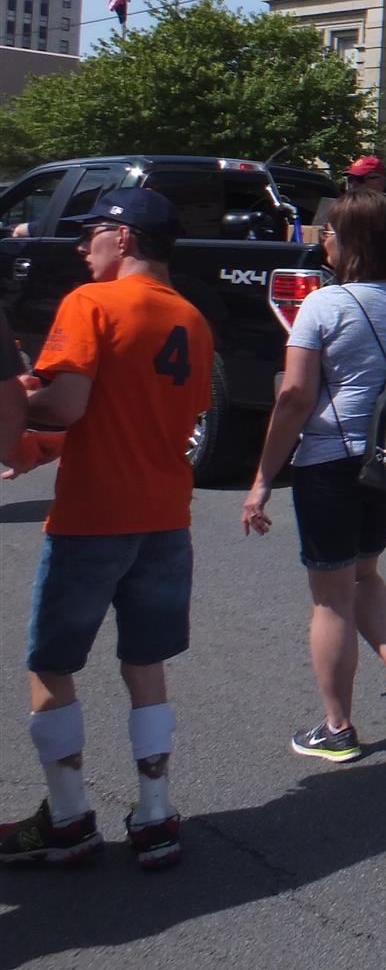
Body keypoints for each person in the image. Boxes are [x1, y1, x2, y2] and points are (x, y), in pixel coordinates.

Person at [0, 189, 213, 871]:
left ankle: (67, 818)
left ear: (122, 237)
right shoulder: (194, 320)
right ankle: (156, 814)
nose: (81, 245)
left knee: (52, 664)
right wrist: (49, 442)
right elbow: (131, 416)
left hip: (93, 517)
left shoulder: (90, 304)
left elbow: (67, 403)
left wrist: (15, 410)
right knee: (144, 662)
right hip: (165, 518)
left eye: (91, 232)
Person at [243, 189, 386, 764]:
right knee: (366, 573)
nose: (320, 238)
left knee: (330, 598)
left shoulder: (323, 306)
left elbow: (295, 396)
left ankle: (338, 727)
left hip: (332, 461)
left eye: (328, 229)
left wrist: (261, 480)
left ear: (352, 240)